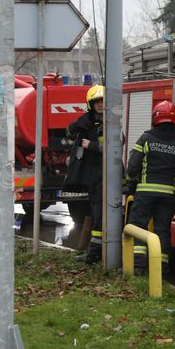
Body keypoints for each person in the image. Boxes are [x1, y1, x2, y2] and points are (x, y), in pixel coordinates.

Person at [126, 100, 175, 274]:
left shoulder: (146, 138)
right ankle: (161, 267)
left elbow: (132, 166)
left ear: (155, 118)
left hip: (145, 193)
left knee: (138, 227)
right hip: (167, 195)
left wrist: (131, 181)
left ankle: (138, 266)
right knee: (163, 230)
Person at [66, 85, 104, 264]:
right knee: (94, 213)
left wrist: (92, 146)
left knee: (99, 216)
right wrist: (76, 126)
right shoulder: (89, 121)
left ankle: (95, 255)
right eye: (97, 102)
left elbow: (114, 146)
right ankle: (93, 252)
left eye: (103, 101)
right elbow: (70, 131)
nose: (100, 105)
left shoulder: (111, 123)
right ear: (91, 104)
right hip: (92, 176)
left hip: (105, 176)